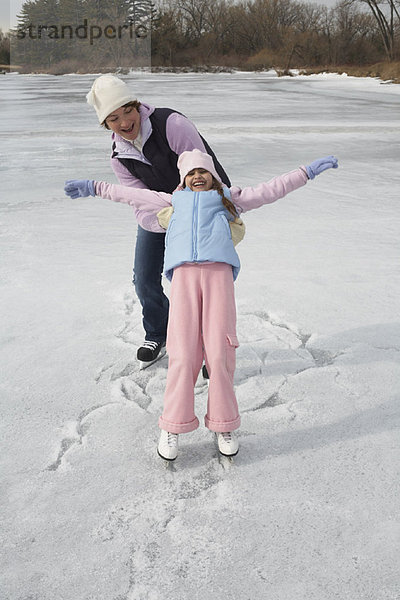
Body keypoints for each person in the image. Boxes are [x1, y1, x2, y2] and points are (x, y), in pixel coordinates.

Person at [64, 150, 338, 460]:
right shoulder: (171, 201)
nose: (197, 176)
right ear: (183, 179)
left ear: (213, 175)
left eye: (202, 172)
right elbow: (128, 194)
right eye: (191, 173)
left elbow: (270, 190)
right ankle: (172, 425)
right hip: (184, 277)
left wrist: (306, 172)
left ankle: (224, 423)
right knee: (182, 352)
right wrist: (93, 187)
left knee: (219, 351)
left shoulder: (228, 199)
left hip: (218, 275)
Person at [86, 74, 231, 367]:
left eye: (127, 110)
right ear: (106, 124)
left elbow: (200, 171)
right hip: (162, 215)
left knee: (202, 284)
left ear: (136, 105)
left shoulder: (172, 125)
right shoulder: (119, 157)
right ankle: (158, 333)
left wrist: (192, 212)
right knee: (144, 279)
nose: (125, 122)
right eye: (114, 118)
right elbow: (138, 199)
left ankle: (210, 349)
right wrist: (164, 221)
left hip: (203, 208)